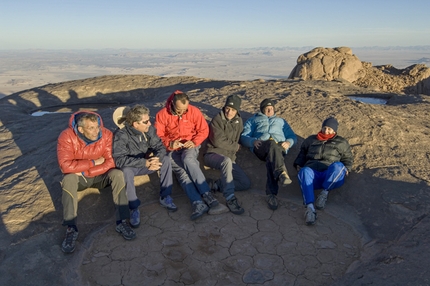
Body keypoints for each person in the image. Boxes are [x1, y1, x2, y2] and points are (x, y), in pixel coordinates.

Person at [57, 111, 135, 254]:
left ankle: (122, 221)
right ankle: (71, 228)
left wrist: (87, 171)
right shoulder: (67, 137)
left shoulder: (106, 134)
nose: (96, 131)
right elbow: (65, 166)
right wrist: (93, 162)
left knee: (117, 174)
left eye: (97, 127)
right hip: (80, 179)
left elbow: (112, 161)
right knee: (68, 179)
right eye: (91, 128)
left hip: (98, 176)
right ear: (81, 129)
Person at [155, 90, 218, 220]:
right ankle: (198, 203)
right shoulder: (162, 115)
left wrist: (194, 141)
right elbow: (158, 136)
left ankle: (206, 194)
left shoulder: (193, 111)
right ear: (172, 103)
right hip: (172, 149)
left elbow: (203, 130)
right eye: (179, 110)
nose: (183, 112)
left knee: (188, 159)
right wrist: (170, 143)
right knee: (181, 173)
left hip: (190, 145)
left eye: (185, 109)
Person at [112, 105, 178, 229]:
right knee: (126, 171)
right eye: (145, 121)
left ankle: (165, 196)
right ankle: (133, 208)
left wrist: (156, 158)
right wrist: (145, 163)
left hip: (148, 162)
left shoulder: (149, 130)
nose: (149, 123)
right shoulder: (121, 135)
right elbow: (120, 160)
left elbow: (159, 146)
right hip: (134, 166)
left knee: (166, 160)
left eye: (149, 120)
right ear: (135, 124)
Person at [293, 117, 354, 225]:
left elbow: (347, 158)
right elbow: (302, 153)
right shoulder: (311, 140)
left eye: (329, 129)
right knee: (304, 171)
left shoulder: (341, 142)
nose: (326, 131)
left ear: (334, 130)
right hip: (313, 174)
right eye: (324, 128)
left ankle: (324, 194)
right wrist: (298, 163)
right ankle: (310, 209)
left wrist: (347, 168)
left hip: (330, 175)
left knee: (338, 166)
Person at [240, 98, 297, 210]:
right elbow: (243, 137)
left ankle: (272, 195)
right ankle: (281, 172)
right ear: (262, 110)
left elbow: (292, 136)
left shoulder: (281, 121)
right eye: (267, 109)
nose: (270, 111)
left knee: (273, 155)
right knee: (271, 146)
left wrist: (289, 142)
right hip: (261, 147)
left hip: (279, 147)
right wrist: (252, 141)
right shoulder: (253, 120)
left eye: (271, 109)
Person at [204, 95, 251, 215]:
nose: (229, 112)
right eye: (227, 108)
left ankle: (214, 185)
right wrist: (235, 147)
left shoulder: (238, 121)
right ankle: (230, 198)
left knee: (245, 183)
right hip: (212, 154)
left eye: (233, 110)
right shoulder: (217, 119)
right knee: (226, 161)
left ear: (237, 111)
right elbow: (217, 141)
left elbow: (240, 136)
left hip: (229, 158)